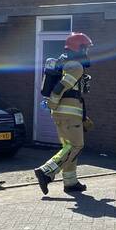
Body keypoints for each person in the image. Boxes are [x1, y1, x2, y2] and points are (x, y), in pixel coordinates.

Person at [34, 32, 94, 195]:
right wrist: (53, 101)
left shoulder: (65, 63)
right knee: (76, 146)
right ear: (79, 48)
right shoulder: (76, 65)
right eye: (86, 48)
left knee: (68, 148)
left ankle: (70, 182)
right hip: (68, 113)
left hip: (63, 113)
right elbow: (61, 86)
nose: (87, 51)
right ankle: (46, 171)